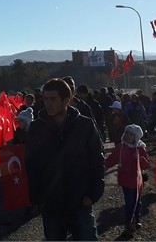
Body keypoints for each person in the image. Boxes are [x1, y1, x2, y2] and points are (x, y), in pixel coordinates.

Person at [25, 78, 104, 241]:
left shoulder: (85, 125)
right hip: (51, 204)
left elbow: (97, 159)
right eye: (45, 99)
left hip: (81, 201)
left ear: (66, 100)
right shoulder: (36, 128)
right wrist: (37, 197)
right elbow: (31, 164)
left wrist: (94, 193)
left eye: (53, 99)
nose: (48, 103)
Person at [104, 124, 151, 234]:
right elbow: (111, 160)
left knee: (138, 202)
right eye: (127, 133)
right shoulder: (120, 147)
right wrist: (103, 162)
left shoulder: (140, 149)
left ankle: (137, 219)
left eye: (131, 134)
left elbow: (147, 165)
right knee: (129, 201)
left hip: (138, 180)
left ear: (137, 137)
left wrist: (140, 159)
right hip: (126, 180)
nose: (128, 136)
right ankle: (128, 222)